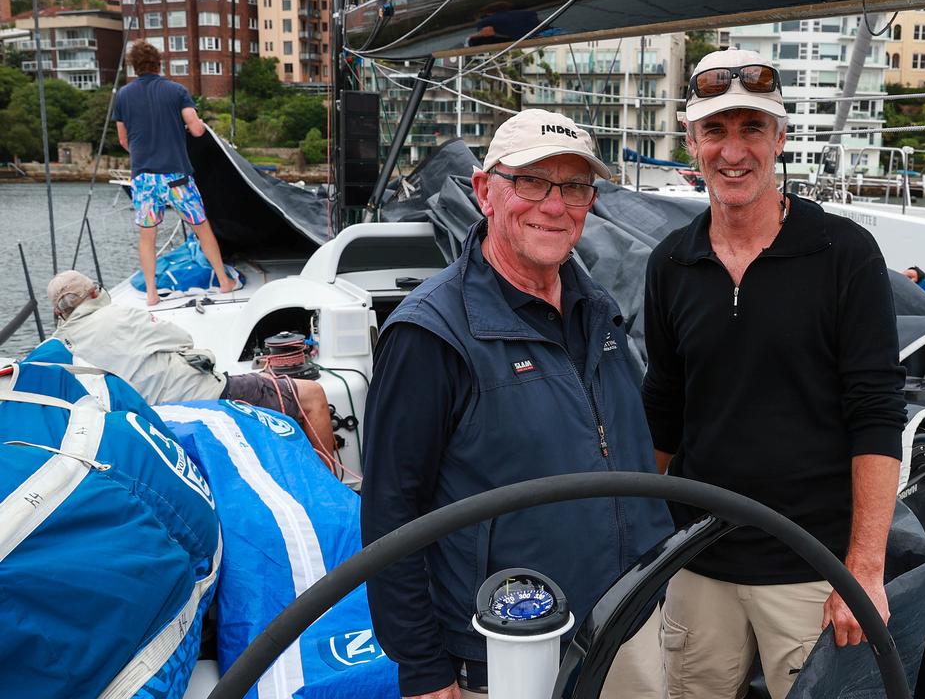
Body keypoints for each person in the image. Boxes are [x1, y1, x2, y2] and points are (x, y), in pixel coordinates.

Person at [360, 108, 673, 699]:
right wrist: (423, 670)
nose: (555, 205)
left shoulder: (598, 309)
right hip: (505, 646)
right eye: (530, 181)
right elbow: (390, 515)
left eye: (576, 186)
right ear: (484, 191)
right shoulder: (430, 335)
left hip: (624, 626)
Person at [643, 48, 907, 699]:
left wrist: (864, 572)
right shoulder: (670, 264)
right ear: (691, 141)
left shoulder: (843, 254)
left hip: (814, 574)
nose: (734, 152)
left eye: (752, 128)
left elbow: (876, 411)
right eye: (716, 130)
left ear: (781, 138)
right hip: (698, 564)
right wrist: (632, 542)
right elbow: (663, 409)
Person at [47, 270, 336, 457]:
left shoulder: (55, 349)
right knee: (312, 395)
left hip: (141, 425)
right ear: (95, 293)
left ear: (59, 313)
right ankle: (331, 490)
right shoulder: (123, 316)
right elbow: (181, 340)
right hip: (203, 395)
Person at [114, 40, 235, 306]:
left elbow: (123, 140)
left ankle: (151, 294)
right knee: (202, 228)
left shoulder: (122, 95)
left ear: (135, 67)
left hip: (144, 178)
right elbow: (197, 130)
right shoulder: (176, 91)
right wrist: (193, 124)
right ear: (159, 64)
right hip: (176, 177)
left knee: (148, 237)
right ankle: (224, 283)